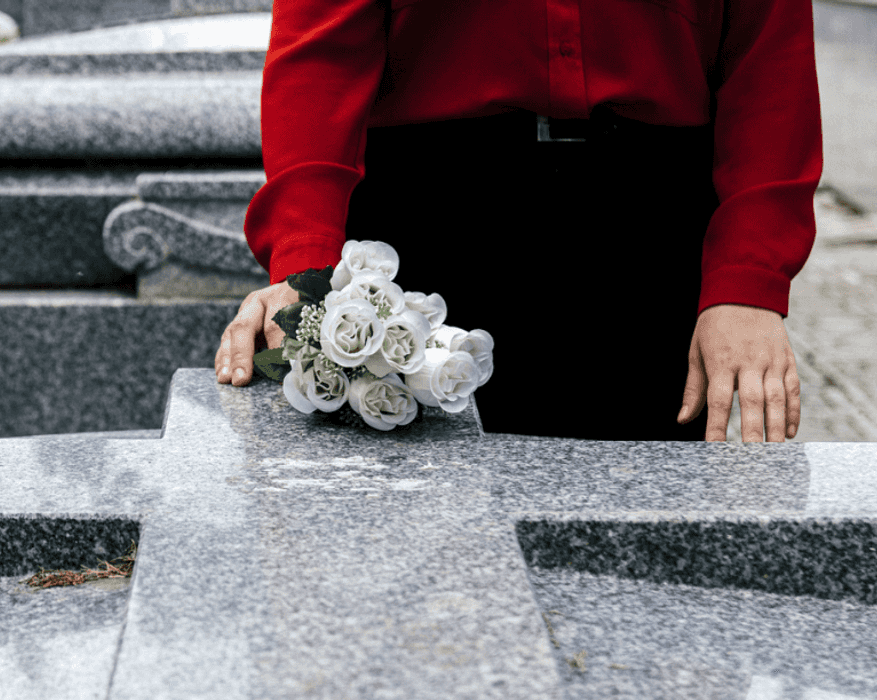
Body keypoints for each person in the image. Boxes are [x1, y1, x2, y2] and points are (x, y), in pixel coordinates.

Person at [215, 0, 822, 443]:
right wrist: (307, 269)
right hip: (431, 227)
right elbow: (321, 52)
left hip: (651, 235)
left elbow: (769, 60)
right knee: (421, 551)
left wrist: (747, 282)